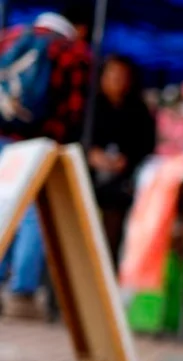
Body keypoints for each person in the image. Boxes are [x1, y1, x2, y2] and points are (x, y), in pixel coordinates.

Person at [0, 3, 92, 319]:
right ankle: (21, 293)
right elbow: (74, 110)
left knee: (1, 209)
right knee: (33, 216)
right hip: (40, 143)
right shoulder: (73, 51)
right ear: (81, 26)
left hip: (3, 137)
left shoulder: (9, 37)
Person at [89, 54, 156, 268]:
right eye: (112, 74)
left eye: (122, 76)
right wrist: (91, 154)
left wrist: (126, 161)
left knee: (111, 236)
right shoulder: (90, 107)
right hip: (87, 180)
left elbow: (146, 146)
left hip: (119, 187)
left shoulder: (138, 110)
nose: (117, 80)